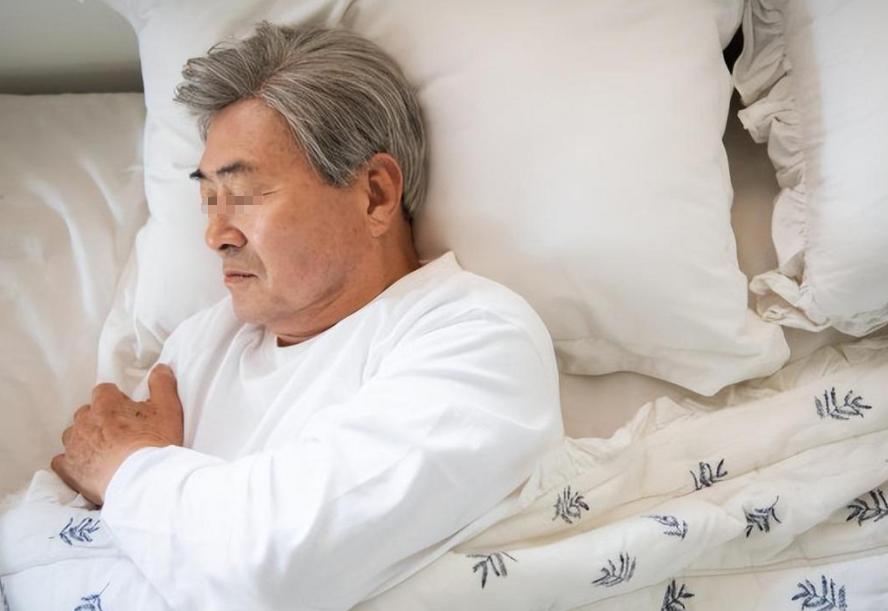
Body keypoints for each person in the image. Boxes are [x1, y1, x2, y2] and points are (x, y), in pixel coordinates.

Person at [48, 22, 563, 610]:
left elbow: (270, 566)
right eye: (209, 199)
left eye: (245, 194)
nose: (216, 235)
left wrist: (127, 469)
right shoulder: (201, 345)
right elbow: (50, 536)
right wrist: (142, 481)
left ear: (375, 194)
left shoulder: (478, 337)